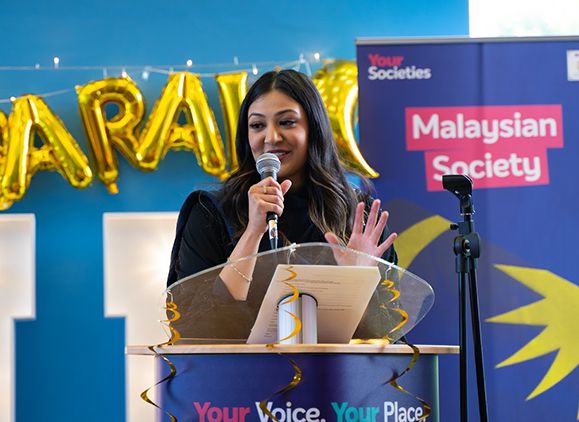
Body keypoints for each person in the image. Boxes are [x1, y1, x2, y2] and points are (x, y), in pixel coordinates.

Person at [167, 69, 397, 341]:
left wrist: (358, 281)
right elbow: (194, 326)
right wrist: (252, 232)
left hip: (333, 380)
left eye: (287, 122)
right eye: (257, 125)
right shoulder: (211, 211)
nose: (271, 137)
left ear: (314, 129)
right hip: (239, 379)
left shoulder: (355, 214)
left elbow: (390, 333)